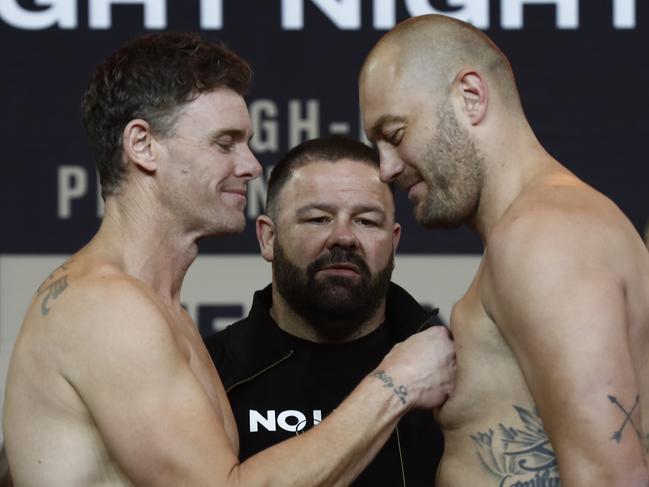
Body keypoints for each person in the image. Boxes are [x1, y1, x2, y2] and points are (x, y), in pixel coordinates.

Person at [3, 32, 457, 486]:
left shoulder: (159, 310)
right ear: (142, 145)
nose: (251, 165)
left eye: (247, 142)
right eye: (225, 143)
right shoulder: (106, 307)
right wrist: (397, 383)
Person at [359, 14, 649, 486]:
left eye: (394, 135)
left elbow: (610, 476)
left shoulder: (545, 235)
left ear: (469, 96)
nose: (386, 169)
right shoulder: (542, 229)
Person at [206, 135, 445, 486]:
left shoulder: (450, 374)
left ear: (394, 243)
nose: (343, 237)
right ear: (268, 238)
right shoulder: (210, 375)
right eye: (318, 218)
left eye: (366, 221)